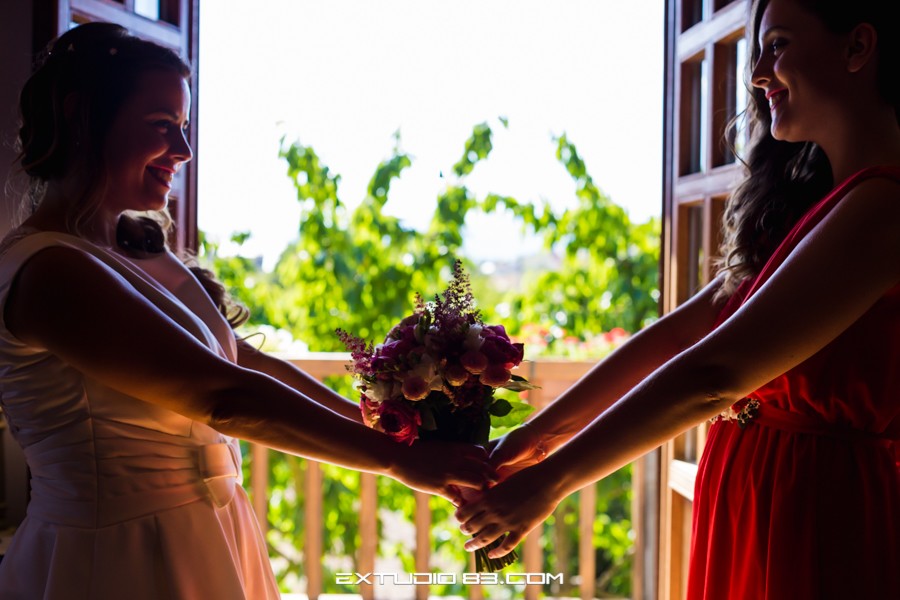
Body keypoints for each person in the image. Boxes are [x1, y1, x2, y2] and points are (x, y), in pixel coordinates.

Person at [0, 22, 493, 599]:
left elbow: (243, 361)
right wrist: (395, 462)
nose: (183, 152)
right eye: (163, 127)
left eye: (183, 129)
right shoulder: (50, 271)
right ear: (81, 118)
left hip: (206, 528)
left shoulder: (135, 246)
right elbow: (223, 396)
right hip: (113, 550)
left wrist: (382, 427)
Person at [457, 0, 900, 597]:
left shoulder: (884, 209)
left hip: (821, 515)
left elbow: (714, 374)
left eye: (779, 45)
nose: (758, 74)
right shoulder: (813, 205)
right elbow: (680, 335)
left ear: (858, 47)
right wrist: (538, 439)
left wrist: (550, 483)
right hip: (758, 500)